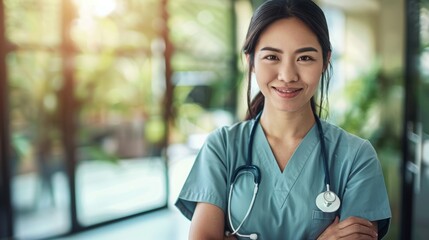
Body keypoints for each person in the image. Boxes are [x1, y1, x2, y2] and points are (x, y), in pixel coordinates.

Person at [175, 0, 392, 239]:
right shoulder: (221, 148)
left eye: (305, 58)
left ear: (325, 61)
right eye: (271, 57)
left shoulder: (357, 157)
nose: (287, 75)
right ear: (250, 61)